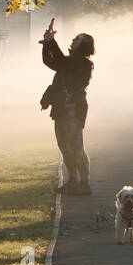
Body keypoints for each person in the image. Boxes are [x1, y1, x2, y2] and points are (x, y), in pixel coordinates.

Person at [40, 18, 95, 194]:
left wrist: (51, 42)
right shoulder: (72, 60)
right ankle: (73, 181)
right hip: (61, 108)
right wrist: (47, 44)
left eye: (77, 39)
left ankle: (84, 184)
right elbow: (51, 62)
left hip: (72, 109)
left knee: (76, 147)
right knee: (64, 146)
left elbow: (62, 62)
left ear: (83, 45)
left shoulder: (84, 62)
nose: (73, 40)